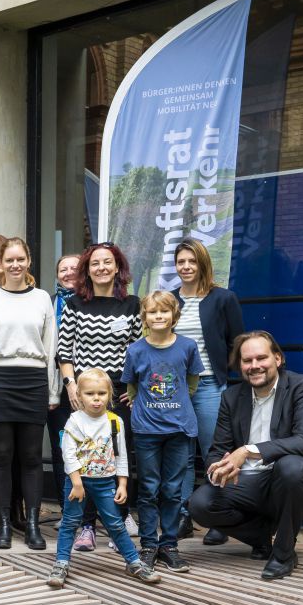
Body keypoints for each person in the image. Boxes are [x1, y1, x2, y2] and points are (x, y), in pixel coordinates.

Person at [188, 331, 303, 580]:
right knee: (200, 504)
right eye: (247, 360)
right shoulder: (231, 397)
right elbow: (217, 450)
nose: (254, 366)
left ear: (278, 358)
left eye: (261, 358)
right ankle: (262, 538)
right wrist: (220, 467)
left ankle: (284, 553)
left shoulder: (302, 386)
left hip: (288, 480)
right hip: (247, 482)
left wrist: (248, 451)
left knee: (291, 467)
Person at [0, 237, 59, 551]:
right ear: (1, 264)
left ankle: (32, 524)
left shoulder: (42, 298)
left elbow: (51, 347)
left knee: (32, 458)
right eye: (9, 260)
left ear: (28, 261)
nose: (15, 265)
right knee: (1, 456)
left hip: (33, 380)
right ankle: (3, 523)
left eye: (20, 259)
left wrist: (52, 389)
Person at [56, 242, 142, 550]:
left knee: (117, 454)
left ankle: (119, 518)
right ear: (87, 270)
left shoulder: (132, 305)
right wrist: (69, 386)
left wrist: (133, 389)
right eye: (95, 263)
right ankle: (87, 526)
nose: (101, 268)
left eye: (108, 262)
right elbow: (64, 350)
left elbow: (138, 351)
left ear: (118, 267)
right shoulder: (75, 304)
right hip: (83, 392)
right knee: (86, 456)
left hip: (119, 394)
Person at [46, 369, 160, 587]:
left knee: (116, 524)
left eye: (101, 393)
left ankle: (134, 562)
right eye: (90, 394)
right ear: (79, 395)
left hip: (105, 482)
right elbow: (67, 454)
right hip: (77, 481)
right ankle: (61, 563)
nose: (96, 399)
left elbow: (121, 455)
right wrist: (77, 482)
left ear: (110, 394)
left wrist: (123, 484)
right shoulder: (74, 421)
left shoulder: (115, 421)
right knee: (70, 523)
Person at [122, 290, 202, 573]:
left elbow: (192, 381)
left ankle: (169, 544)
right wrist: (137, 400)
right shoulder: (136, 350)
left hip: (179, 428)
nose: (159, 316)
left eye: (164, 311)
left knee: (172, 489)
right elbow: (131, 385)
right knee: (148, 488)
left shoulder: (188, 346)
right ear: (144, 317)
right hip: (146, 430)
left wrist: (179, 400)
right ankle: (148, 545)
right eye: (153, 312)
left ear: (174, 315)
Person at [172, 238, 245, 544]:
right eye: (181, 262)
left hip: (209, 386)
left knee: (214, 452)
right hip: (173, 390)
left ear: (202, 263)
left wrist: (227, 378)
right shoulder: (169, 299)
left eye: (192, 261)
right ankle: (184, 515)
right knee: (181, 455)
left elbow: (236, 343)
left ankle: (219, 518)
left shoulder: (223, 298)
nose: (186, 267)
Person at [46, 252, 83, 504]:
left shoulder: (94, 302)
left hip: (91, 386)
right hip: (56, 387)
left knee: (93, 448)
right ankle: (67, 507)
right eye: (63, 269)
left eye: (74, 268)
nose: (69, 273)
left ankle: (98, 509)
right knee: (62, 449)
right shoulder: (46, 303)